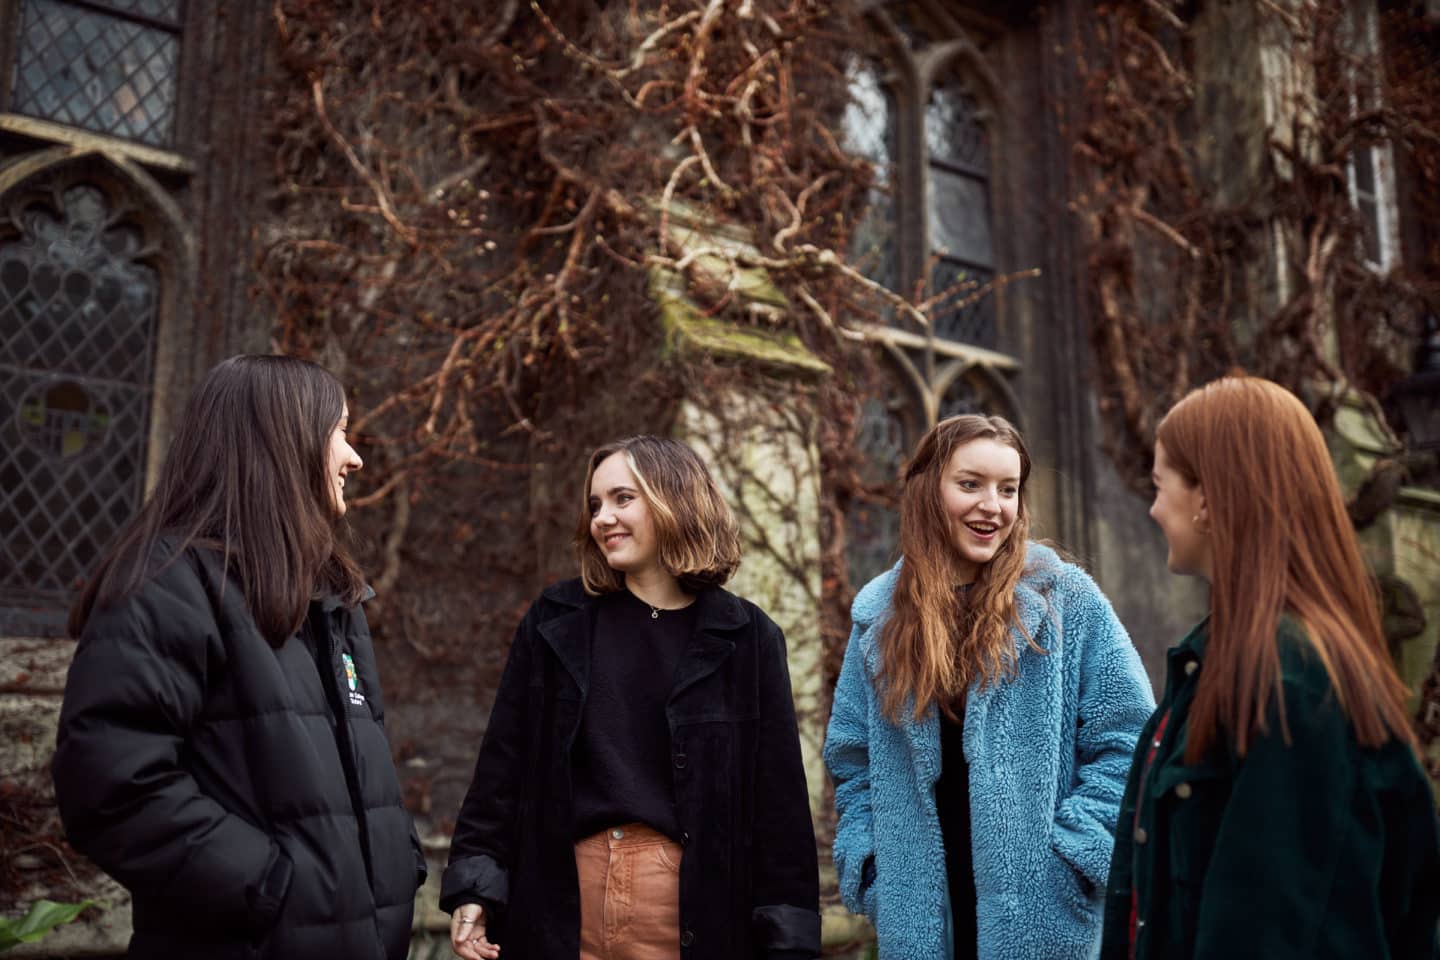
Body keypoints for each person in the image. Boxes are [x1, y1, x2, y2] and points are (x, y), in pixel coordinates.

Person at [52, 355, 426, 960]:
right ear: (284, 441)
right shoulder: (168, 583)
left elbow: (357, 773)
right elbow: (112, 786)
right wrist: (272, 889)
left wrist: (395, 862)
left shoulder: (332, 597)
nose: (354, 457)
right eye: (339, 430)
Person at [441, 435, 820, 960]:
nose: (602, 518)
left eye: (623, 498)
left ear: (676, 500)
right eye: (595, 504)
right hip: (559, 906)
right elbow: (501, 769)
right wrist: (476, 886)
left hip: (691, 913)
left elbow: (778, 807)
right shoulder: (555, 621)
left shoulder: (747, 638)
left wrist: (788, 942)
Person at [1101, 376, 1440, 959]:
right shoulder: (1223, 660)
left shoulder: (1290, 681)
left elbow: (1273, 929)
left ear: (1208, 498)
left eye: (1160, 486)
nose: (1153, 508)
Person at [825, 413, 1155, 959]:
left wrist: (1073, 861)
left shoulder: (1066, 601)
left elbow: (1130, 742)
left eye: (1008, 489)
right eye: (970, 484)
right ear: (930, 490)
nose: (993, 506)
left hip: (1042, 919)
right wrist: (873, 867)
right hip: (922, 918)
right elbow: (852, 759)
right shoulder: (880, 617)